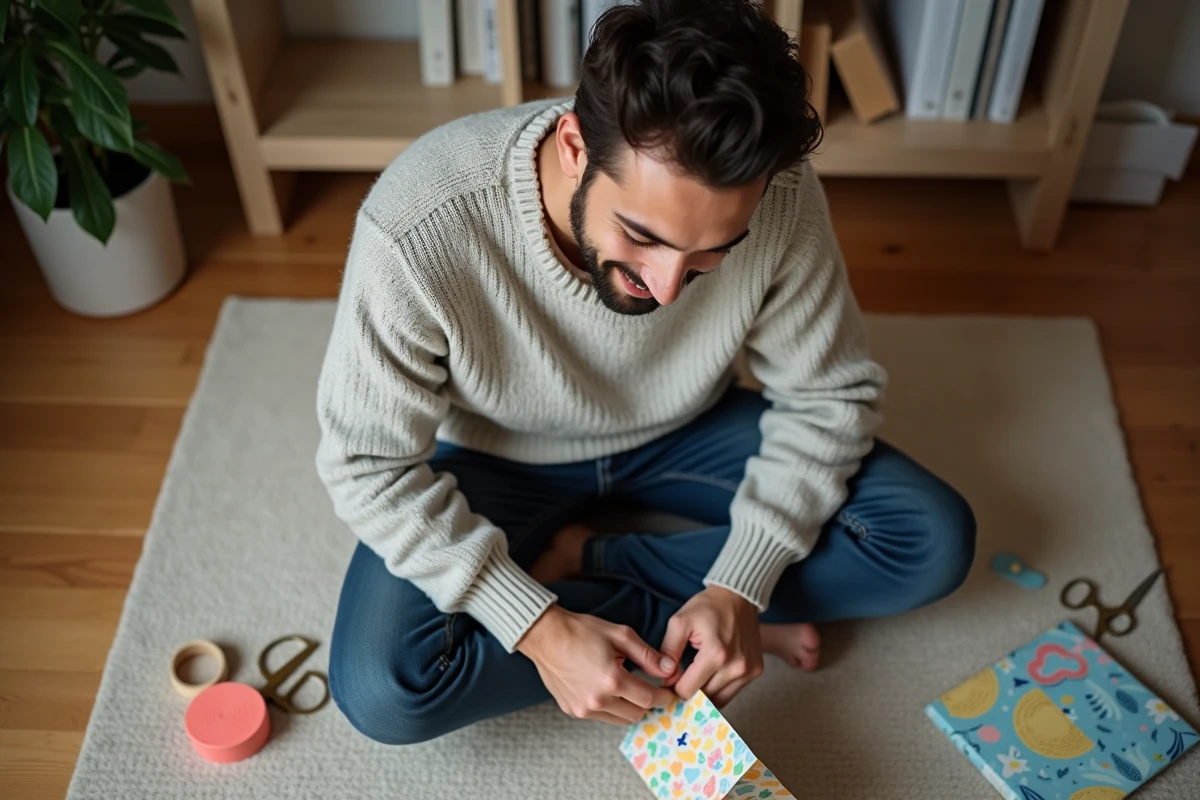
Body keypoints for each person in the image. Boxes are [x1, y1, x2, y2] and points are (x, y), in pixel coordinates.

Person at [315, 0, 975, 745]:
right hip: (499, 455)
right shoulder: (420, 223)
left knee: (929, 540)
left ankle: (619, 573)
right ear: (573, 145)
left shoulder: (781, 196)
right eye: (641, 236)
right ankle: (683, 630)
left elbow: (828, 396)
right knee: (386, 689)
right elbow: (367, 464)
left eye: (710, 255)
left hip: (685, 427)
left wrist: (739, 584)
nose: (665, 290)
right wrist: (537, 628)